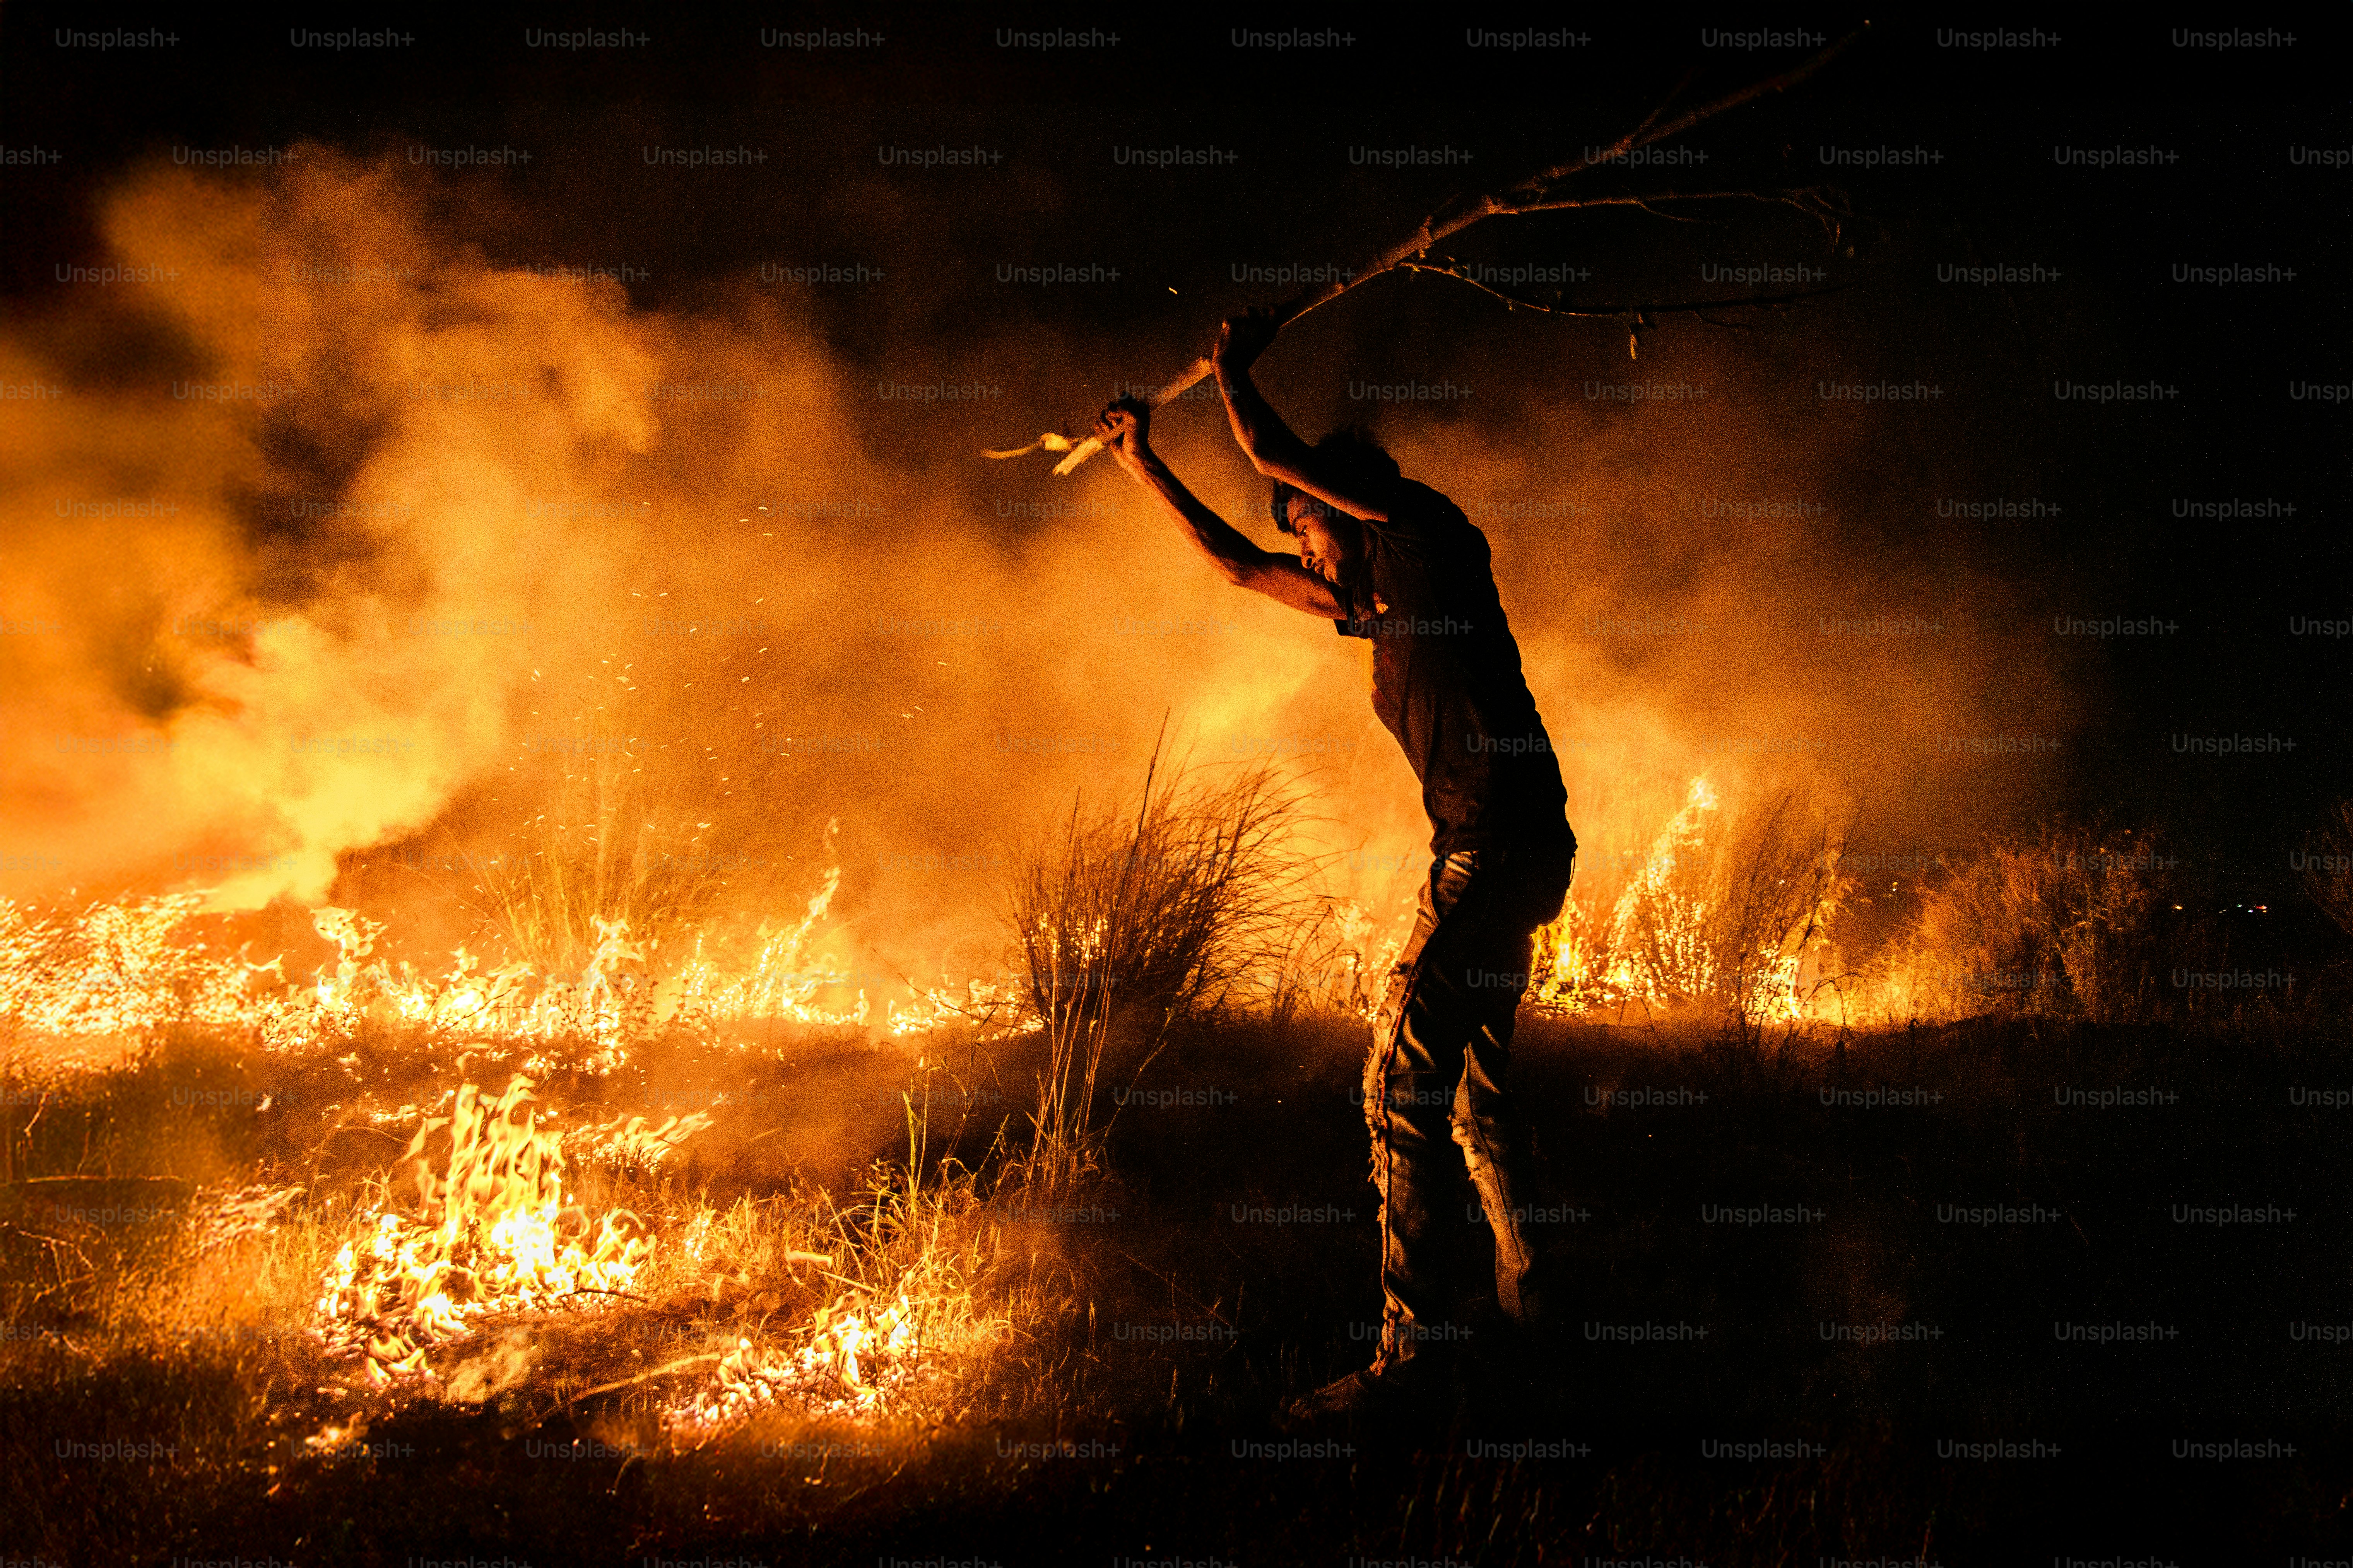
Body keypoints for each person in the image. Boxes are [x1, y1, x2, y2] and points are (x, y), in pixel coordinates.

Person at [1091, 308, 1577, 1423]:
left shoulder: (1426, 534)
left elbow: (1274, 456)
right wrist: (1142, 464)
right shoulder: (1376, 596)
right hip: (1503, 847)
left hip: (1494, 849)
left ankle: (1414, 1354)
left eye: (1308, 528)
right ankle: (1535, 1315)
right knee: (1474, 1097)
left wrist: (1228, 371)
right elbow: (1235, 567)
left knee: (1394, 1084)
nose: (1303, 549)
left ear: (1347, 509)